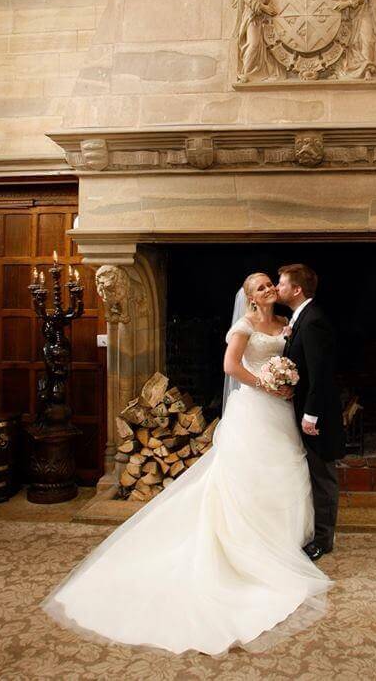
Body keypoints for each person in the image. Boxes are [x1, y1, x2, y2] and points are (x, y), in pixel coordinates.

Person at [39, 272, 332, 655]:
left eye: (270, 283)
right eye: (260, 286)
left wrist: (285, 381)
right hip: (256, 408)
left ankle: (282, 540)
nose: (269, 288)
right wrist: (266, 383)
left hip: (280, 412)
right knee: (247, 475)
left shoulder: (285, 324)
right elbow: (230, 367)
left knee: (283, 472)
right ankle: (244, 546)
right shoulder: (244, 326)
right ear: (250, 297)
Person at [276, 263, 343, 560]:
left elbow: (321, 374)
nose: (278, 288)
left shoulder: (313, 320)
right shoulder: (302, 318)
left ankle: (323, 540)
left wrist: (311, 415)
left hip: (317, 415)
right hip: (305, 408)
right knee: (314, 474)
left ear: (297, 289)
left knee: (323, 476)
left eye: (281, 283)